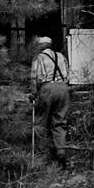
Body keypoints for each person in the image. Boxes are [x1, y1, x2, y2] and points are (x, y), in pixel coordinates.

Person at [30, 36, 70, 169]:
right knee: (60, 122)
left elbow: (34, 77)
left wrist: (34, 94)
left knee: (41, 123)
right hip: (63, 89)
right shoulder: (61, 56)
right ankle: (61, 152)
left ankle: (42, 156)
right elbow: (68, 75)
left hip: (47, 89)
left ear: (41, 46)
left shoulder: (39, 58)